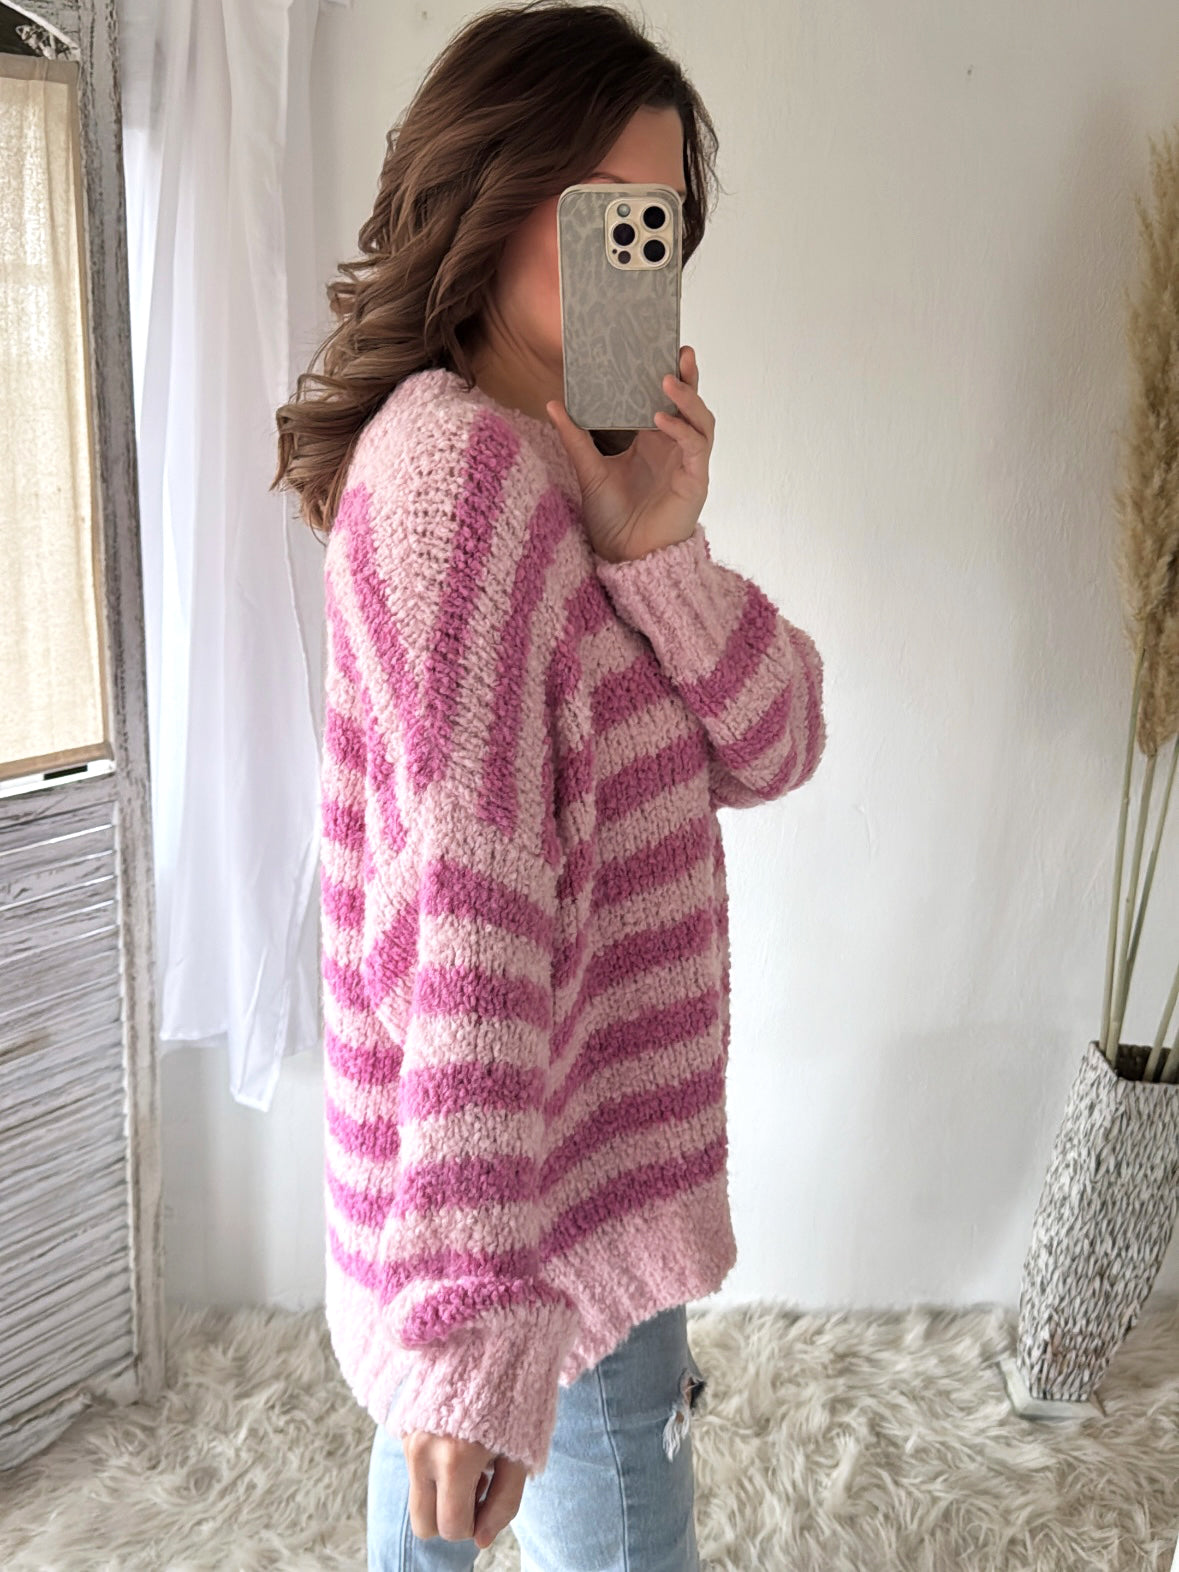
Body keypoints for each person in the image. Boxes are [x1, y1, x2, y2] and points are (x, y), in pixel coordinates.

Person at [272, 3, 827, 1566]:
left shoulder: (561, 469)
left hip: (528, 1199)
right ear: (497, 191)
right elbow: (472, 908)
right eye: (605, 217)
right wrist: (470, 1331)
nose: (636, 263)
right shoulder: (461, 483)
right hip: (544, 1226)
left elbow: (779, 741)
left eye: (661, 231)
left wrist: (661, 548)